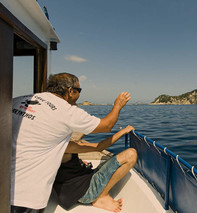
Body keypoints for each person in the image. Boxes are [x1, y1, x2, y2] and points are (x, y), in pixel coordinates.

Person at [11, 73, 130, 213]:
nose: (79, 94)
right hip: (27, 197)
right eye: (79, 91)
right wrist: (118, 105)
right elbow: (106, 126)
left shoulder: (16, 100)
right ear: (70, 91)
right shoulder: (67, 111)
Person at [53, 125, 137, 212]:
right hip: (86, 192)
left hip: (74, 188)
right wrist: (123, 131)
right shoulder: (65, 145)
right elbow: (99, 147)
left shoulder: (49, 144)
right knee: (131, 154)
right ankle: (101, 197)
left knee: (113, 159)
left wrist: (77, 162)